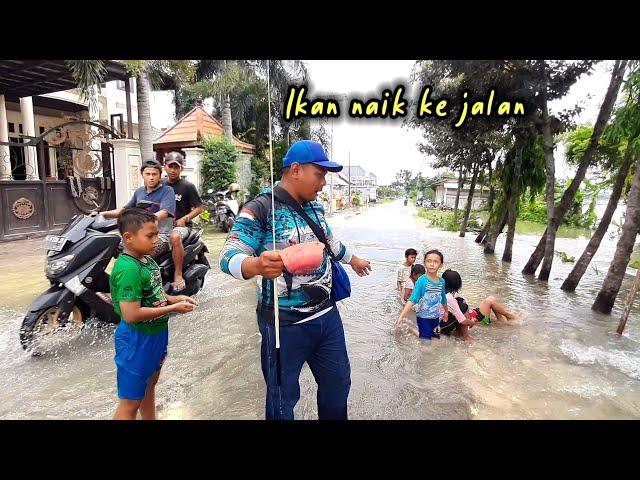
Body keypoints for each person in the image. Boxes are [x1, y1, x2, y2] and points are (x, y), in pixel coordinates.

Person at [219, 140, 371, 420]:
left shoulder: (315, 208)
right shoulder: (260, 209)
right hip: (283, 325)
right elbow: (228, 257)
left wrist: (354, 259)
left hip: (327, 318)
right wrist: (256, 264)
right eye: (320, 174)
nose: (324, 183)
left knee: (338, 384)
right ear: (296, 170)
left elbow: (330, 242)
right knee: (282, 399)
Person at [110, 208, 197, 420]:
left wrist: (173, 298)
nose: (157, 240)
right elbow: (131, 314)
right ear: (128, 238)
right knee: (130, 402)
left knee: (150, 385)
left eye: (157, 234)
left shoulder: (147, 260)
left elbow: (154, 292)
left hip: (156, 334)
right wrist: (172, 309)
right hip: (136, 339)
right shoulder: (128, 269)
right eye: (151, 235)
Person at [100, 159, 176, 258]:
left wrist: (141, 220)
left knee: (141, 254)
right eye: (148, 174)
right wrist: (102, 213)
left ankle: (150, 273)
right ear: (142, 174)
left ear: (160, 175)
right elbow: (124, 210)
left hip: (160, 235)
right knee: (115, 247)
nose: (151, 177)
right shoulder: (139, 192)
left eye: (154, 174)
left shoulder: (167, 191)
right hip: (139, 235)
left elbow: (164, 212)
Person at [162, 151, 205, 292]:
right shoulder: (160, 185)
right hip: (162, 227)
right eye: (170, 166)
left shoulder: (187, 186)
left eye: (176, 167)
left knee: (174, 237)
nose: (173, 170)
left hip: (182, 227)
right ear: (165, 166)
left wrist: (184, 218)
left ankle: (178, 274)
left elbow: (199, 208)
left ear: (181, 168)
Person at [394, 249, 449, 339]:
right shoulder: (422, 280)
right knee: (426, 343)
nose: (432, 264)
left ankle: (411, 330)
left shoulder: (441, 281)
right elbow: (413, 299)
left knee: (435, 338)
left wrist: (446, 312)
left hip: (436, 318)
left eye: (435, 261)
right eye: (429, 261)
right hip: (423, 318)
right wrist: (401, 315)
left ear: (441, 265)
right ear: (424, 263)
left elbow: (443, 298)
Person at [441, 269, 519, 327]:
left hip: (458, 319)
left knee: (490, 301)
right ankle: (509, 316)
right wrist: (473, 321)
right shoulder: (449, 298)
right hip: (471, 321)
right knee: (490, 300)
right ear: (456, 284)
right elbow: (463, 321)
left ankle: (502, 320)